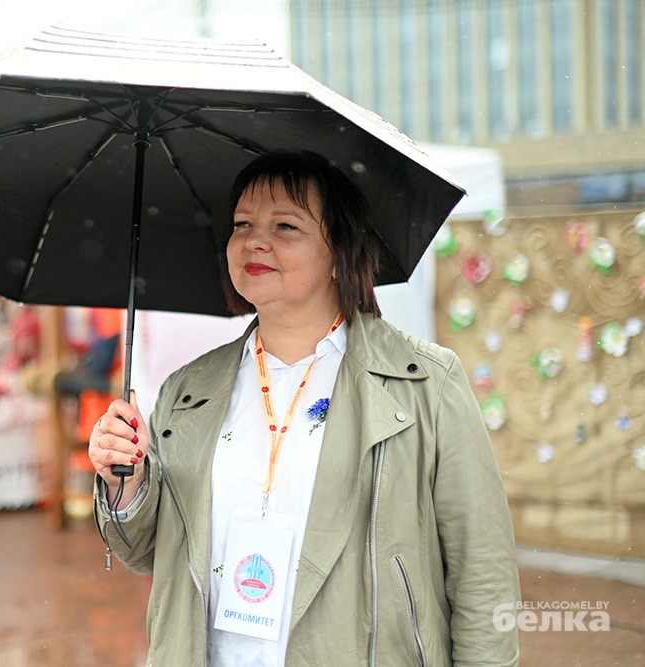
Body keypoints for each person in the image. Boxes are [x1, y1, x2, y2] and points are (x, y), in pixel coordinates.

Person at [89, 151, 521, 666]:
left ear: (339, 250)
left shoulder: (425, 384)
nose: (255, 241)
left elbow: (482, 569)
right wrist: (128, 482)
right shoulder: (188, 390)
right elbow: (143, 550)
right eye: (242, 224)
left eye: (285, 226)